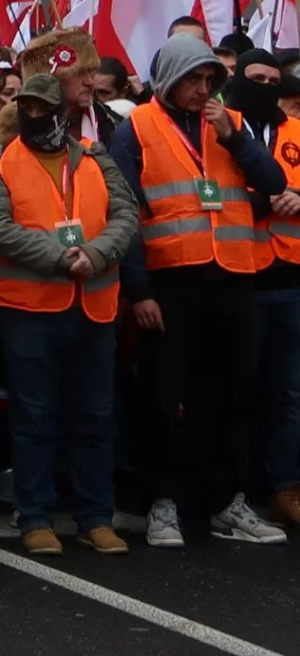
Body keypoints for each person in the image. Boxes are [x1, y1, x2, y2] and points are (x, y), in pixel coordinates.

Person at [111, 32, 288, 548]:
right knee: (164, 396)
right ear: (169, 79)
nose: (203, 88)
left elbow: (273, 180)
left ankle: (225, 501)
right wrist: (138, 289)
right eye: (194, 79)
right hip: (171, 281)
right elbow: (126, 211)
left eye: (210, 80)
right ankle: (161, 502)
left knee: (234, 393)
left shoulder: (227, 124)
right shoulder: (137, 128)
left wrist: (235, 137)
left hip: (232, 275)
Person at [0, 70, 139, 556]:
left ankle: (94, 516)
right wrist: (60, 256)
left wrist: (99, 253)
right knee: (34, 415)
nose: (36, 116)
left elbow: (126, 215)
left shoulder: (94, 155)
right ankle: (35, 514)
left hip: (95, 307)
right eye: (28, 108)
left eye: (45, 109)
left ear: (63, 113)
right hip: (31, 310)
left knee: (95, 416)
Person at [237, 49, 300, 526]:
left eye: (272, 79)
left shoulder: (298, 132)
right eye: (256, 78)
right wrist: (263, 198)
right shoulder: (226, 130)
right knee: (240, 388)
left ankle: (282, 486)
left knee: (288, 392)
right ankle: (234, 487)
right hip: (242, 277)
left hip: (293, 280)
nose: (265, 86)